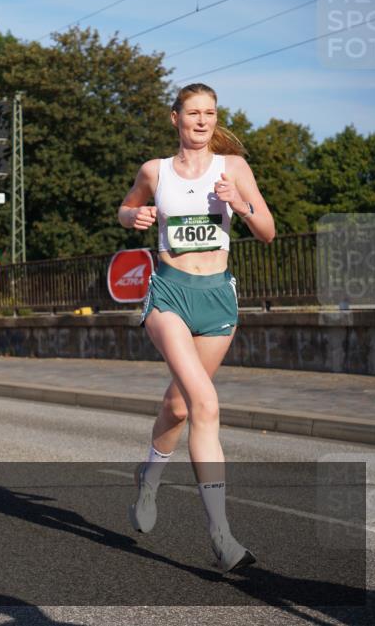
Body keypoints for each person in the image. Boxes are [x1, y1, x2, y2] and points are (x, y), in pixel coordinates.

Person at [118, 83, 275, 573]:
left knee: (180, 406)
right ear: (175, 118)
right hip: (169, 294)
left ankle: (148, 476)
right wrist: (135, 216)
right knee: (206, 402)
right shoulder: (155, 171)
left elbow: (268, 232)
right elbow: (126, 209)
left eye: (209, 113)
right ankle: (223, 538)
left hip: (217, 300)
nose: (202, 121)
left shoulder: (234, 169)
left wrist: (240, 204)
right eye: (193, 113)